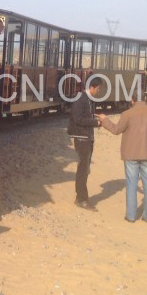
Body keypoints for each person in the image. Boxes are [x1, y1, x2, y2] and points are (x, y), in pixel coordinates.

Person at [97, 92, 147, 223]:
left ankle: (131, 216)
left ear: (133, 100)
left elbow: (116, 130)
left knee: (131, 185)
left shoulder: (127, 114)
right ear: (145, 99)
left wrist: (104, 120)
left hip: (130, 155)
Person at [67, 80, 102, 211]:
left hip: (86, 137)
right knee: (83, 168)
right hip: (81, 137)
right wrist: (96, 123)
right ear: (91, 87)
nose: (98, 92)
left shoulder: (87, 99)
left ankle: (81, 197)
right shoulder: (81, 100)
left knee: (85, 168)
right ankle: (81, 199)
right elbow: (78, 119)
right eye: (97, 89)